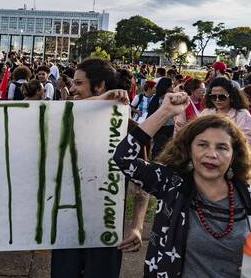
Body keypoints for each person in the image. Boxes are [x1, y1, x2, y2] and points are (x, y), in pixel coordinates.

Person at [114, 92, 251, 277]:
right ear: (188, 149)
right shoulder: (172, 185)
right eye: (202, 145)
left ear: (234, 155)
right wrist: (166, 111)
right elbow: (124, 158)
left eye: (222, 147)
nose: (212, 154)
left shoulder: (246, 196)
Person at [51, 58, 149, 278]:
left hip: (106, 228)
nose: (72, 89)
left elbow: (141, 186)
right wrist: (102, 100)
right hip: (66, 225)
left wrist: (137, 226)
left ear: (99, 85)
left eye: (78, 83)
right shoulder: (66, 119)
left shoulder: (129, 129)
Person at [200, 76, 251, 144]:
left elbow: (247, 140)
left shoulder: (242, 114)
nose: (217, 100)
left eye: (222, 96)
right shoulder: (206, 113)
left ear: (232, 97)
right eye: (213, 96)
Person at [147, 77, 175, 158]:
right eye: (170, 86)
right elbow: (151, 114)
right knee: (158, 149)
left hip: (170, 127)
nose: (172, 88)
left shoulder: (172, 97)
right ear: (165, 87)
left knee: (168, 148)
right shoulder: (156, 99)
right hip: (160, 128)